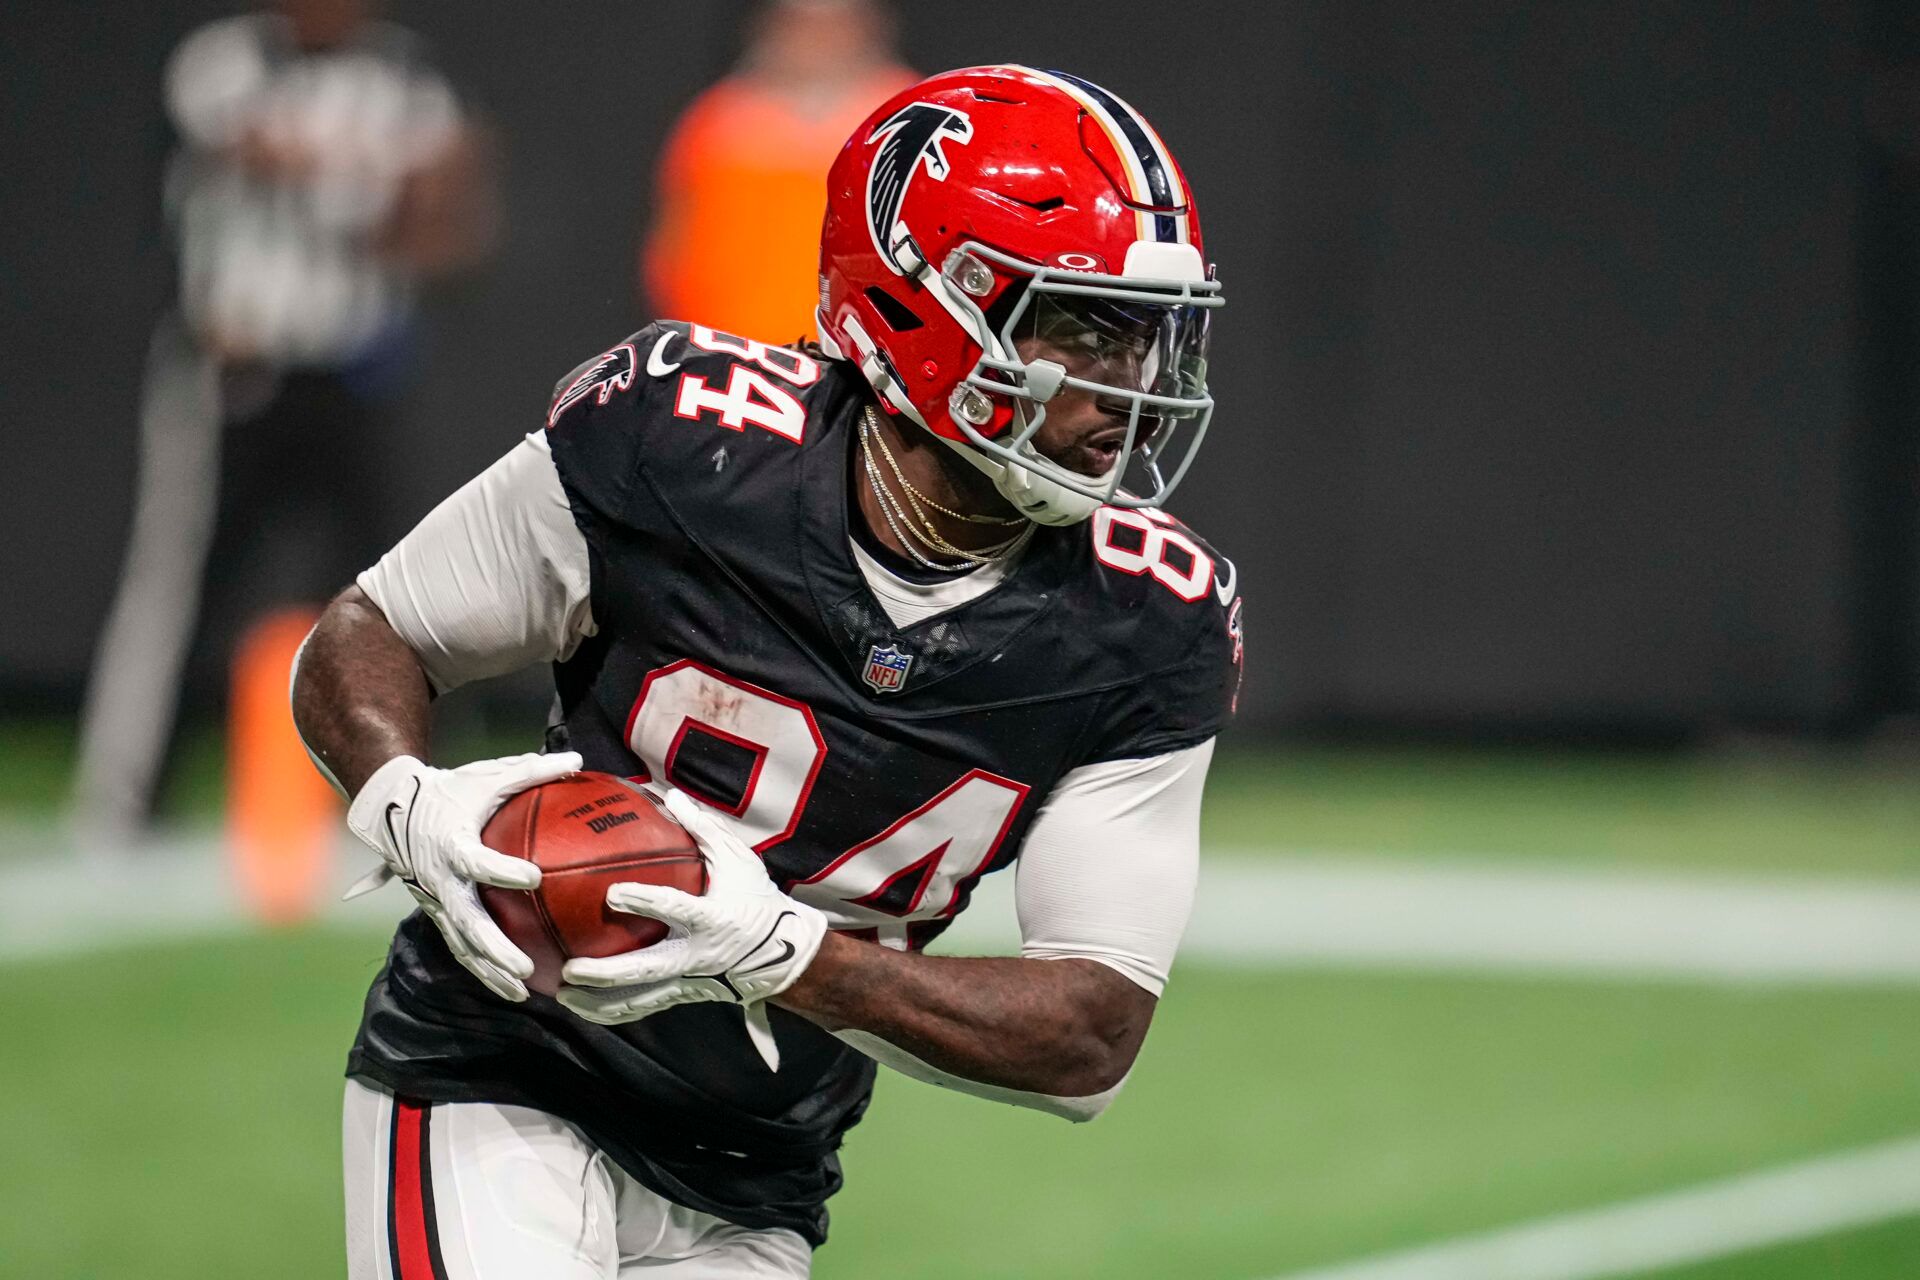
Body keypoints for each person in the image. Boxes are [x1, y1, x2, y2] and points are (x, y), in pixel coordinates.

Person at [293, 65, 1238, 1278]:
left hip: (762, 1171)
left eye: (1157, 332)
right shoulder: (683, 437)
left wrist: (791, 952)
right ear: (923, 310)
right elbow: (374, 630)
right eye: (1085, 325)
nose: (1139, 387)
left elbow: (1091, 1032)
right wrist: (404, 800)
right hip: (501, 1069)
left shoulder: (1150, 622)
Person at [75, 0, 495, 841]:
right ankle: (125, 801)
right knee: (184, 589)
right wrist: (389, 175)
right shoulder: (223, 60)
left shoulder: (406, 74)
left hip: (354, 371)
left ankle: (424, 798)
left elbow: (453, 224)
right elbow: (266, 155)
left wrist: (426, 194)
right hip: (240, 370)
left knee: (401, 592)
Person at [640, 0, 916, 344]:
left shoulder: (914, 122)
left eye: (835, 26)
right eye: (800, 25)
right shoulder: (718, 126)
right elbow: (675, 253)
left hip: (870, 365)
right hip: (739, 354)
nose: (817, 42)